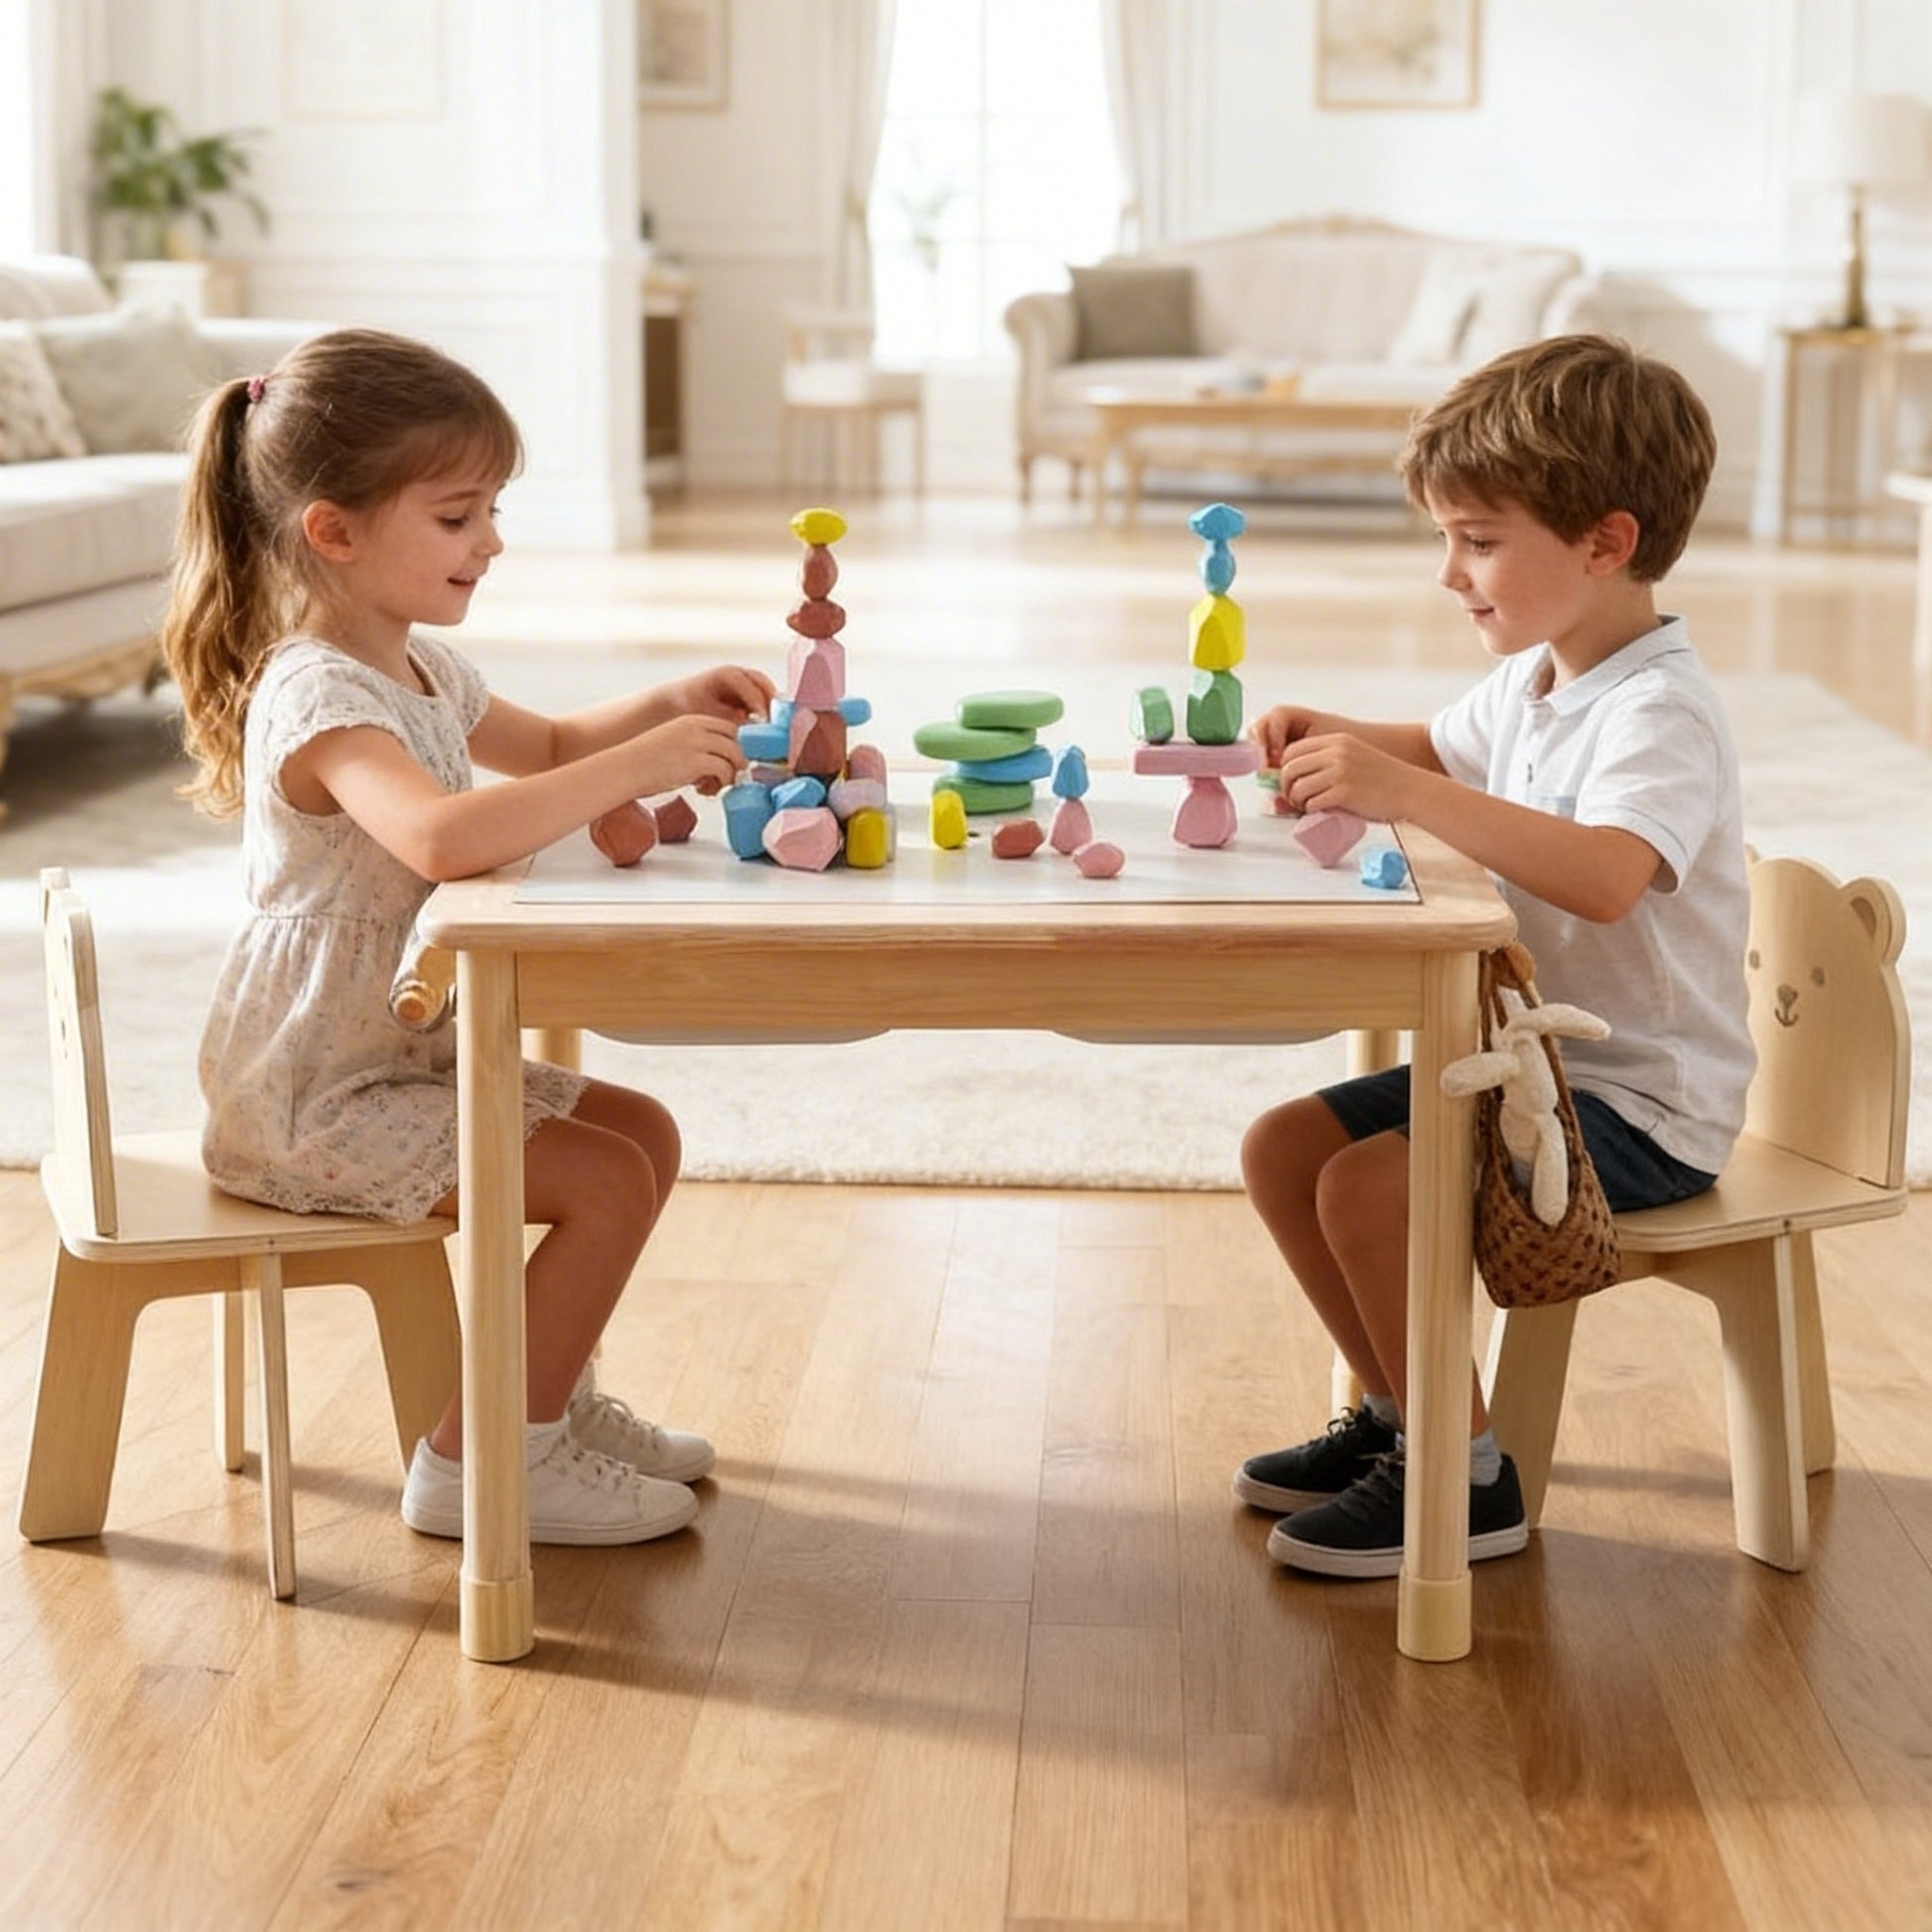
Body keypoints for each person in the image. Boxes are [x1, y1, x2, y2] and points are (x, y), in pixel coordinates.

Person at [163, 328, 775, 1547]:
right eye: (457, 517)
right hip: (312, 1095)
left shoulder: (419, 665)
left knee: (639, 1130)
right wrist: (643, 766)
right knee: (601, 1180)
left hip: (394, 1056)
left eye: (491, 509)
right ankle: (481, 1459)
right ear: (332, 530)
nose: (488, 540)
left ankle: (551, 1404)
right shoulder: (318, 693)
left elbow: (548, 752)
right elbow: (440, 837)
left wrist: (660, 703)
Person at [1234, 334, 1754, 1579]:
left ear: (1603, 543)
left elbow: (1604, 872)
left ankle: (1462, 1482)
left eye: (1475, 540)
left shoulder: (1656, 709)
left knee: (1369, 1185)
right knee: (1285, 1146)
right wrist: (1338, 732)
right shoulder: (1538, 674)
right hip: (1525, 1083)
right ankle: (1399, 1415)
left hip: (1634, 1105)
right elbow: (1441, 745)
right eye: (1444, 540)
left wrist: (1398, 787)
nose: (1447, 574)